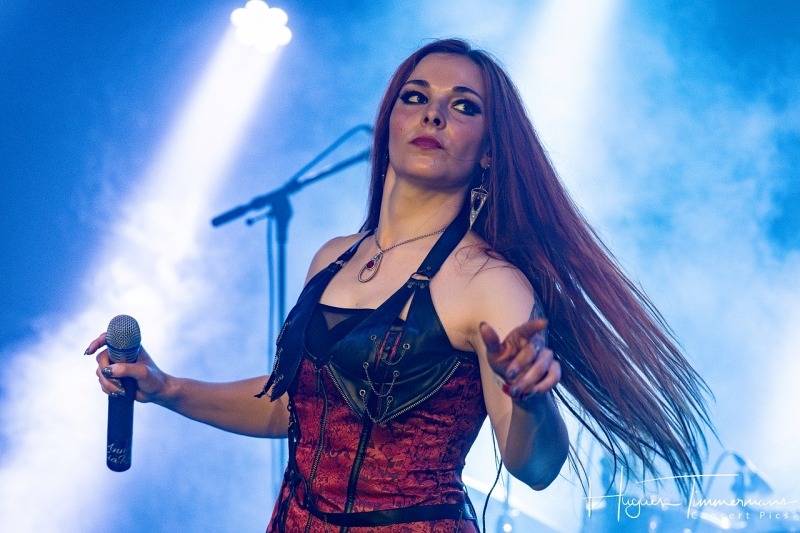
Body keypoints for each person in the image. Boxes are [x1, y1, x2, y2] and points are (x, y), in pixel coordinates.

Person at [88, 38, 713, 532]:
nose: (433, 113)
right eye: (416, 97)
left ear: (488, 152)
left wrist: (531, 398)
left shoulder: (490, 283)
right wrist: (168, 388)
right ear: (389, 120)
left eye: (463, 106)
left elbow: (537, 467)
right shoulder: (332, 258)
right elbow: (290, 408)